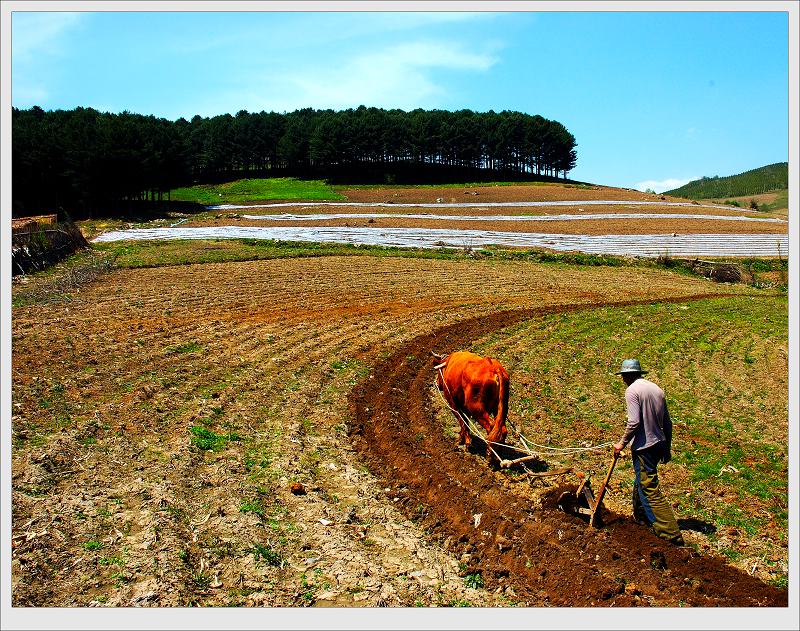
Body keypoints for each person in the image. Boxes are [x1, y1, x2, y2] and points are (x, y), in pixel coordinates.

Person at [612, 359, 684, 545]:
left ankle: (669, 532)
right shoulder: (656, 389)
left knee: (649, 488)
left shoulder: (632, 391)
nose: (623, 380)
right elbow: (667, 422)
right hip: (659, 442)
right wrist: (667, 447)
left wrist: (621, 443)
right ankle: (642, 518)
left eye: (623, 376)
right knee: (641, 480)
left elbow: (634, 422)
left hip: (645, 446)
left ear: (627, 376)